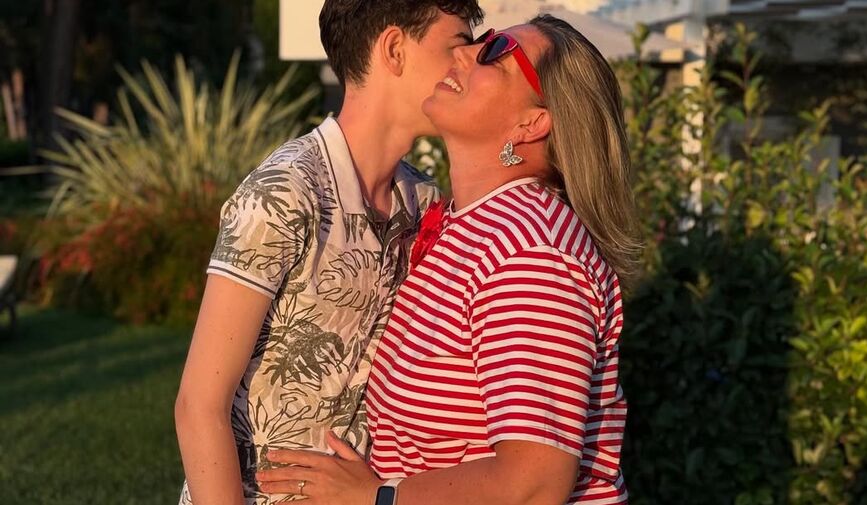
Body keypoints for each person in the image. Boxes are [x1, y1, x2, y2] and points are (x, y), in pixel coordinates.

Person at [255, 14, 642, 505]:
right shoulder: (471, 225)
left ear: (532, 122)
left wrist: (379, 497)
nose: (462, 51)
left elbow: (534, 483)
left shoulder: (531, 253)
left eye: (494, 53)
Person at [174, 1, 484, 504]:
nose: (468, 62)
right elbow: (198, 406)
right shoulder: (286, 192)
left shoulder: (425, 202)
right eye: (457, 45)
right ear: (394, 49)